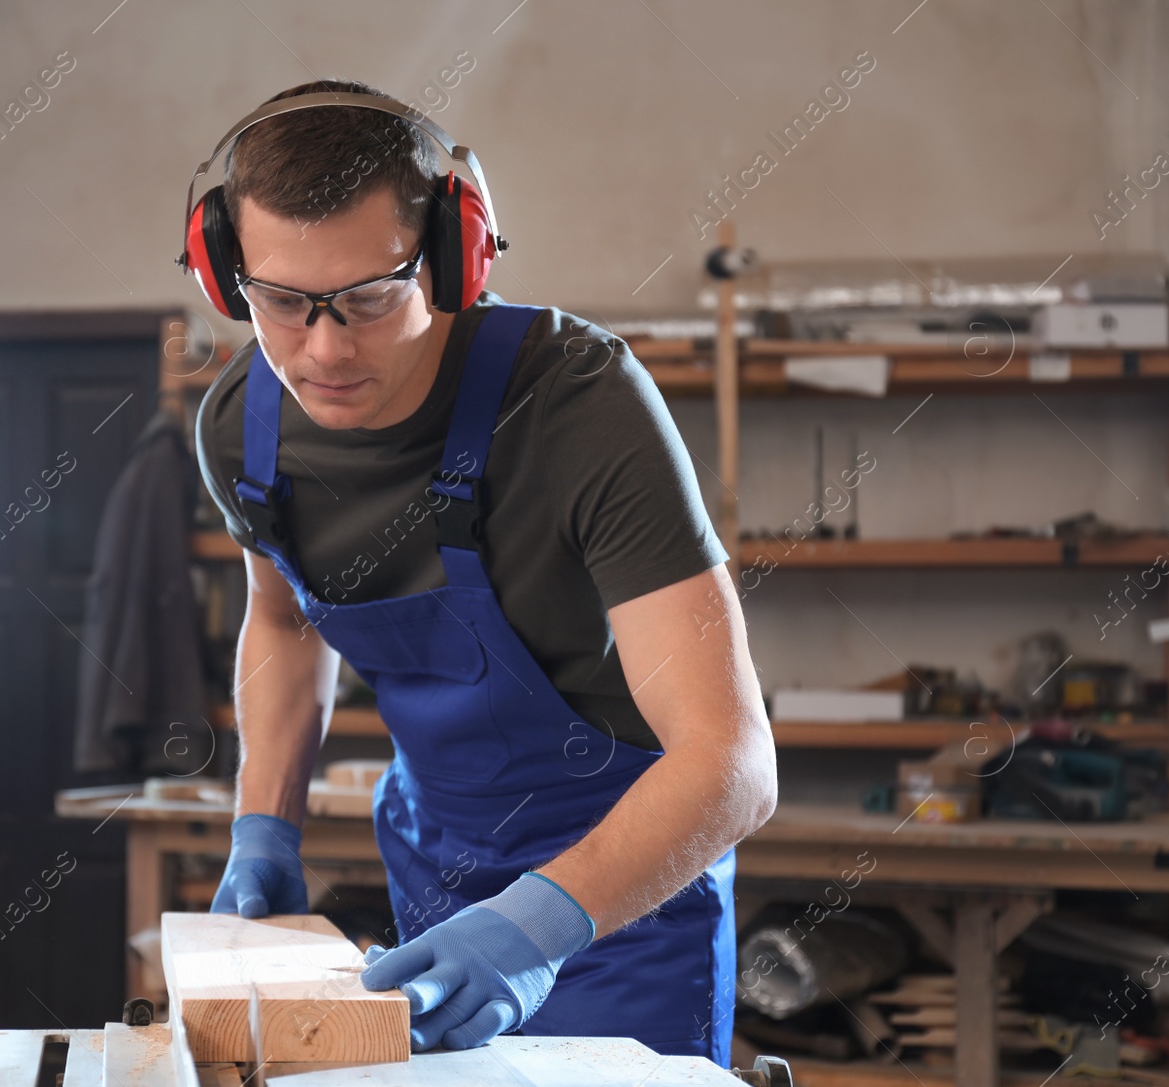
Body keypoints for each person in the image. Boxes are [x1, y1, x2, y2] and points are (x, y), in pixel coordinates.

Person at [182, 78, 776, 1064]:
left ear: (457, 257)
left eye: (369, 298)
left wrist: (536, 925)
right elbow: (282, 624)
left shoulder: (579, 405)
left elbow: (732, 764)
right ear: (224, 273)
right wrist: (263, 828)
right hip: (432, 877)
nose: (321, 349)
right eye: (280, 303)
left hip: (621, 901)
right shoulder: (241, 430)